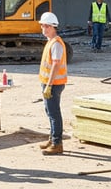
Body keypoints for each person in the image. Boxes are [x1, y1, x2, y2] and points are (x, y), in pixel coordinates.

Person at [38, 11, 67, 155]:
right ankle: (53, 139)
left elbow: (56, 65)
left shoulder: (56, 44)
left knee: (54, 113)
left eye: (45, 26)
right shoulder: (51, 42)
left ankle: (57, 143)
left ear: (52, 27)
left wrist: (49, 85)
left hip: (54, 84)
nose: (43, 29)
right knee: (50, 112)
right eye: (42, 26)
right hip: (49, 83)